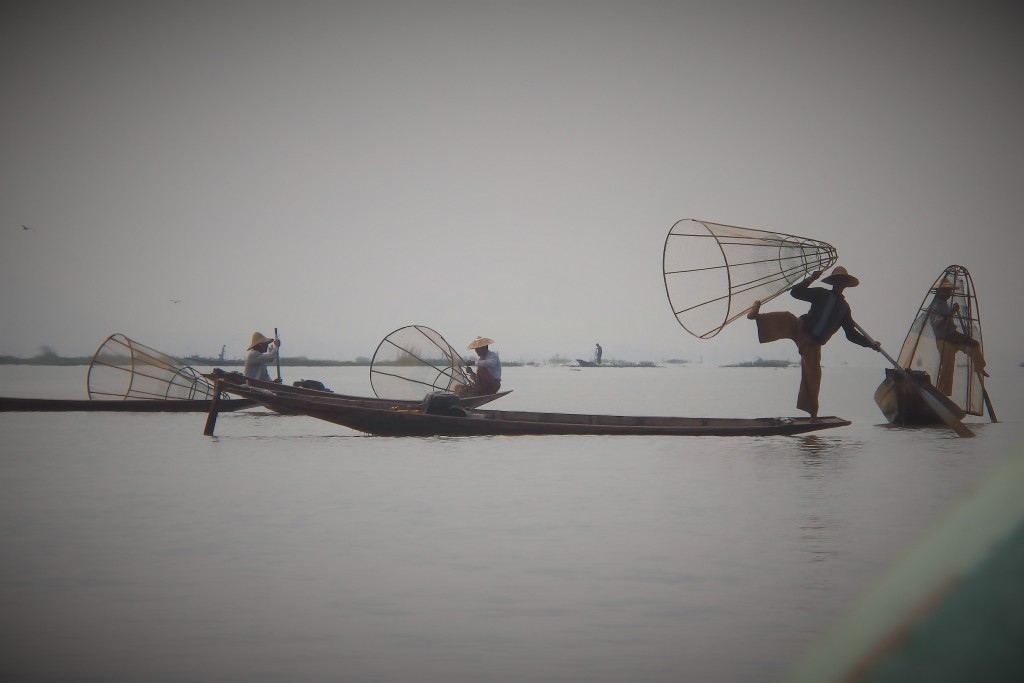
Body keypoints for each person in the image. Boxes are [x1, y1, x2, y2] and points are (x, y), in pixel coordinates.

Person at [746, 266, 880, 421]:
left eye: (842, 280)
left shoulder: (844, 308)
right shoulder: (821, 294)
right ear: (833, 281)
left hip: (813, 344)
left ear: (845, 284)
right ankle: (755, 316)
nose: (839, 282)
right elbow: (796, 293)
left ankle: (813, 415)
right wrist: (811, 279)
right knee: (786, 318)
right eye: (837, 279)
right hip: (801, 327)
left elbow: (851, 335)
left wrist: (871, 344)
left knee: (813, 375)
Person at [927, 279, 988, 395]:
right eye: (945, 291)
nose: (948, 294)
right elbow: (936, 322)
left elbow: (946, 317)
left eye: (949, 291)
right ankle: (943, 393)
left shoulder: (944, 304)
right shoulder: (935, 305)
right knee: (947, 366)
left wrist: (951, 311)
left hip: (952, 336)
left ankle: (979, 366)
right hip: (943, 340)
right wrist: (951, 312)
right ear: (939, 291)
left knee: (974, 345)